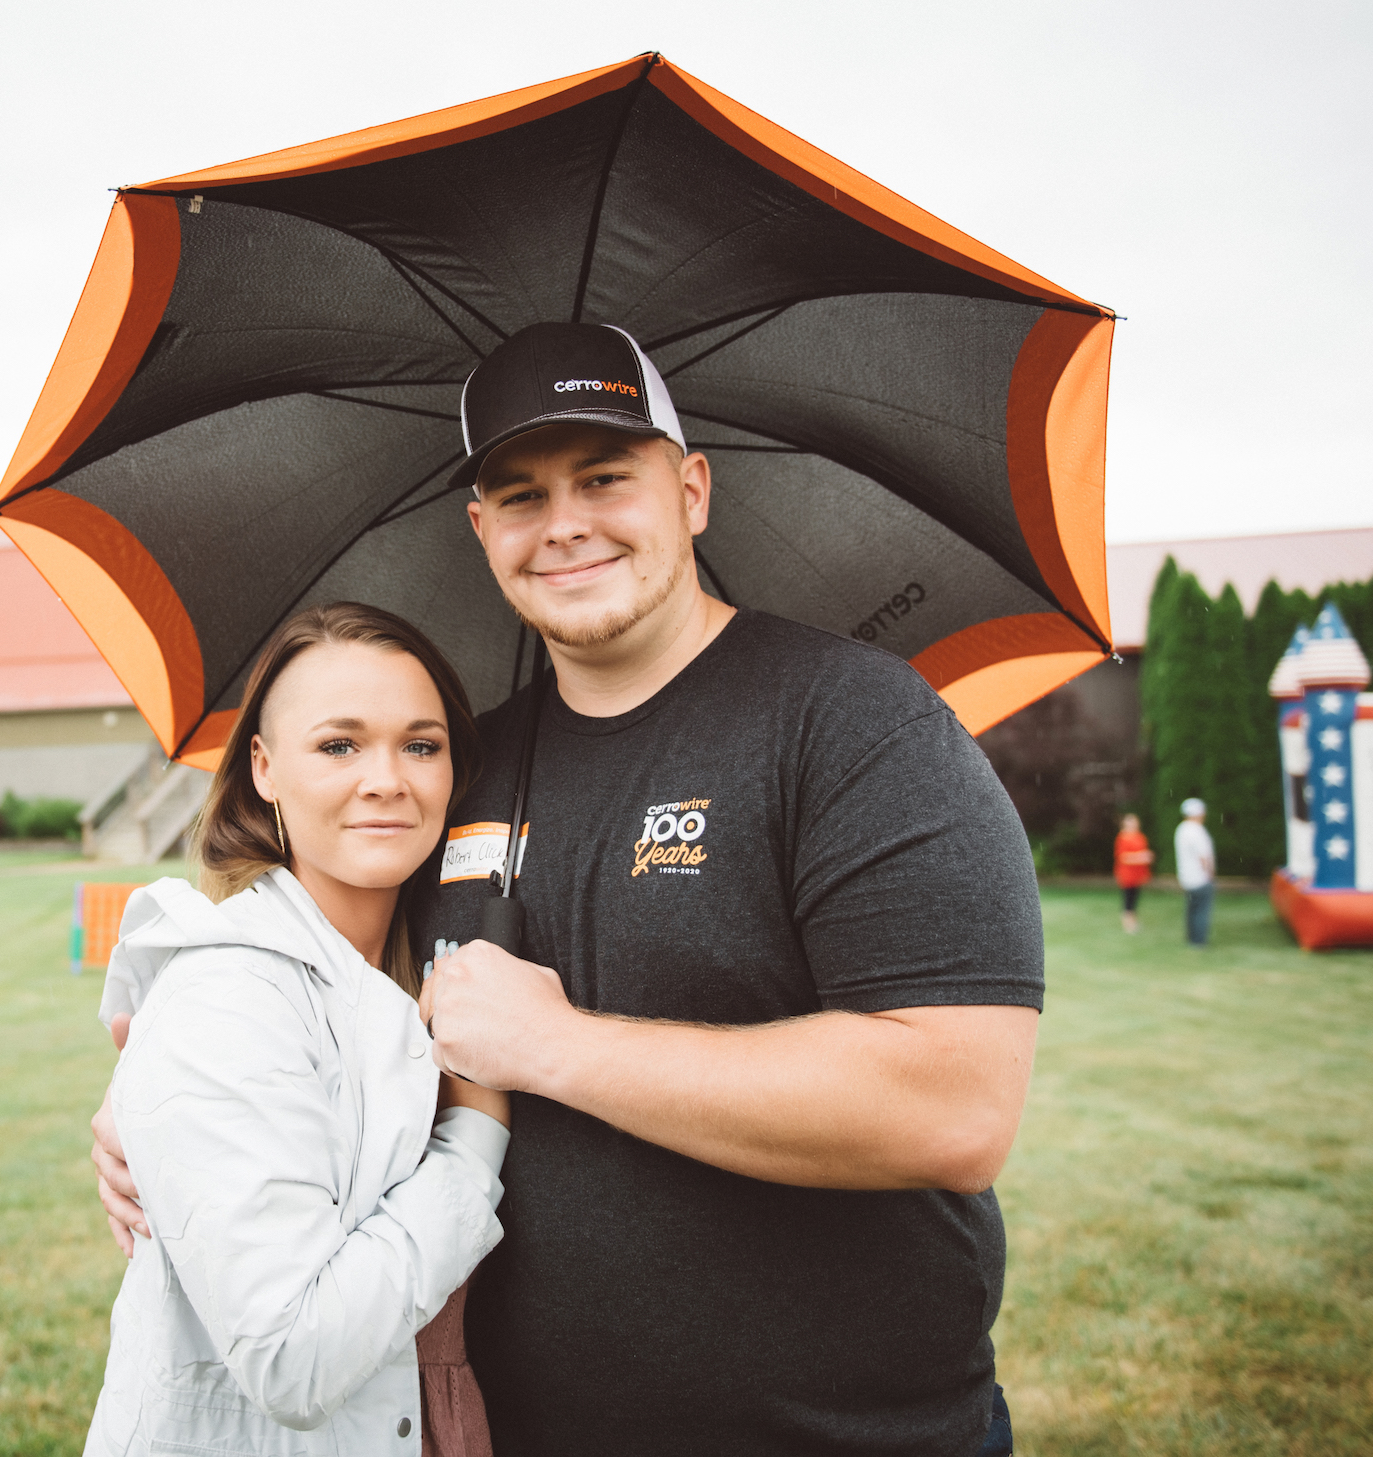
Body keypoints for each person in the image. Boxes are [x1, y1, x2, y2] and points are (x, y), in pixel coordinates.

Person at [98, 323, 1041, 1456]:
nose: (567, 524)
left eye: (605, 477)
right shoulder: (453, 766)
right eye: (523, 493)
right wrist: (165, 1102)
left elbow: (954, 1105)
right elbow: (334, 994)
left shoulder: (855, 723)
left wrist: (557, 1046)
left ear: (691, 489)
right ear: (482, 528)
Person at [85, 603, 508, 1456]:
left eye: (420, 744)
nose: (387, 777)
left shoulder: (425, 964)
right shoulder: (227, 992)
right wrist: (477, 1131)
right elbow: (291, 1358)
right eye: (339, 744)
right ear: (265, 768)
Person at [1174, 797, 1217, 946]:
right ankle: (1199, 941)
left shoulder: (1181, 829)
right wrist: (1210, 875)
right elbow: (1204, 857)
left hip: (1187, 877)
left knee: (1191, 909)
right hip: (1200, 877)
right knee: (1201, 911)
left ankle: (1191, 938)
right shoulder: (1197, 830)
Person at [1114, 812, 1155, 932]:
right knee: (1128, 898)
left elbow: (1143, 852)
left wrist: (1146, 857)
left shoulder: (1140, 836)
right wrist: (1140, 857)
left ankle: (1133, 921)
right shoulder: (1122, 837)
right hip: (1127, 874)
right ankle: (1128, 924)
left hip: (1138, 874)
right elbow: (1122, 857)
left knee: (1135, 898)